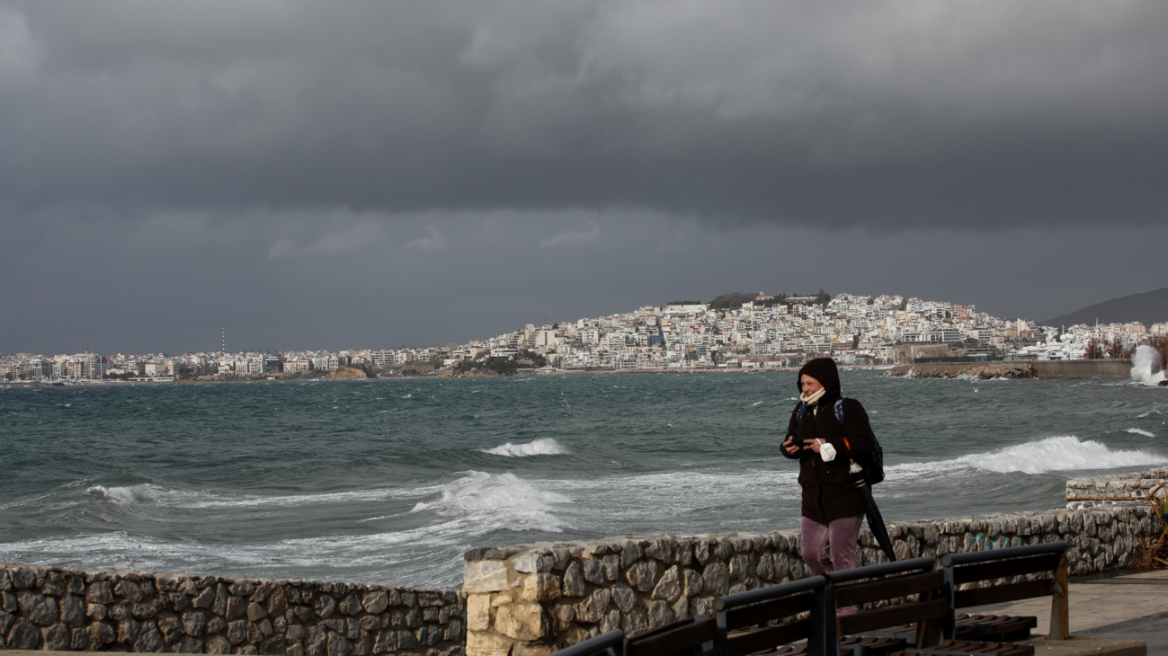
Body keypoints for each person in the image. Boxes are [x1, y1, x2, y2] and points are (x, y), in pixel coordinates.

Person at [780, 357, 875, 577]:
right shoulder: (801, 410)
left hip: (846, 493)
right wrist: (787, 449)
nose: (805, 389)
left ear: (826, 382)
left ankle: (847, 609)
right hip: (813, 495)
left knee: (843, 556)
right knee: (811, 554)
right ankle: (837, 597)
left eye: (810, 383)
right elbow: (792, 439)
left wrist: (828, 444)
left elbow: (864, 443)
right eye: (802, 384)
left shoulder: (848, 407)